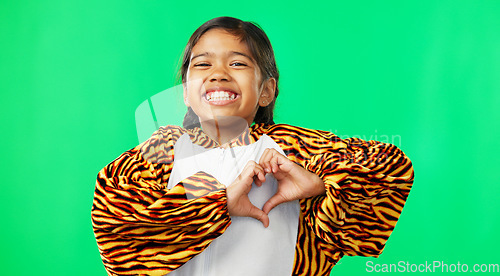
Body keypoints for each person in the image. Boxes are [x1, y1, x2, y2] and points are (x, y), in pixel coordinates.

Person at [91, 16, 414, 276]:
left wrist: (320, 185)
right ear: (187, 93)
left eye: (238, 64)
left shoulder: (294, 149)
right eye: (203, 65)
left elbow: (389, 165)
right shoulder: (160, 151)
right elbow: (119, 231)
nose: (218, 74)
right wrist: (220, 205)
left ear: (266, 91)